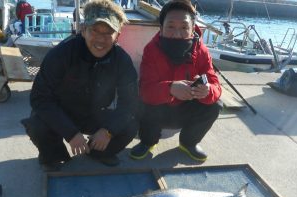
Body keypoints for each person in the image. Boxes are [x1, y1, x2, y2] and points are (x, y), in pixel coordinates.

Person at [21, 0, 138, 171]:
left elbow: (130, 104)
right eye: (94, 30)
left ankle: (97, 152)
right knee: (37, 124)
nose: (100, 39)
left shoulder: (122, 60)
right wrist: (70, 133)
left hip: (96, 113)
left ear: (118, 36)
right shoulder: (61, 53)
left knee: (130, 125)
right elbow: (40, 98)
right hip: (62, 110)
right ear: (83, 30)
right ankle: (53, 155)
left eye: (108, 33)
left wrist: (108, 130)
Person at [130, 0, 222, 162]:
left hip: (186, 108)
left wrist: (208, 90)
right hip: (158, 110)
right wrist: (170, 89)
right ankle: (148, 141)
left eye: (184, 27)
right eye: (171, 26)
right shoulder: (151, 50)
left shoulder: (201, 50)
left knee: (215, 105)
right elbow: (145, 90)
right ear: (161, 28)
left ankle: (188, 143)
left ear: (192, 29)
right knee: (142, 102)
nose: (177, 33)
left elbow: (215, 84)